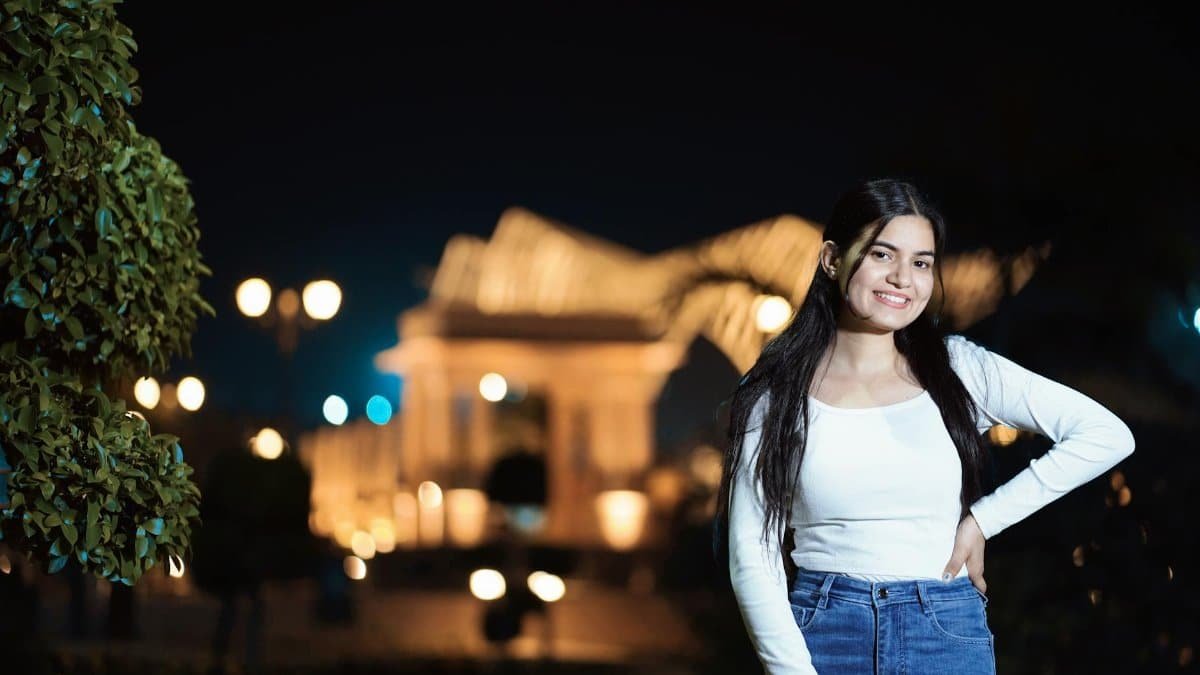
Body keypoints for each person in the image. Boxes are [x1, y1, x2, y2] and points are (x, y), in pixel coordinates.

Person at [713, 178, 1136, 674]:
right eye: (881, 255)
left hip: (944, 631)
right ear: (832, 260)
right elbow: (753, 553)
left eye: (921, 263)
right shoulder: (775, 391)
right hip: (824, 631)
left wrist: (984, 519)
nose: (902, 278)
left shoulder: (960, 370)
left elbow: (1105, 434)